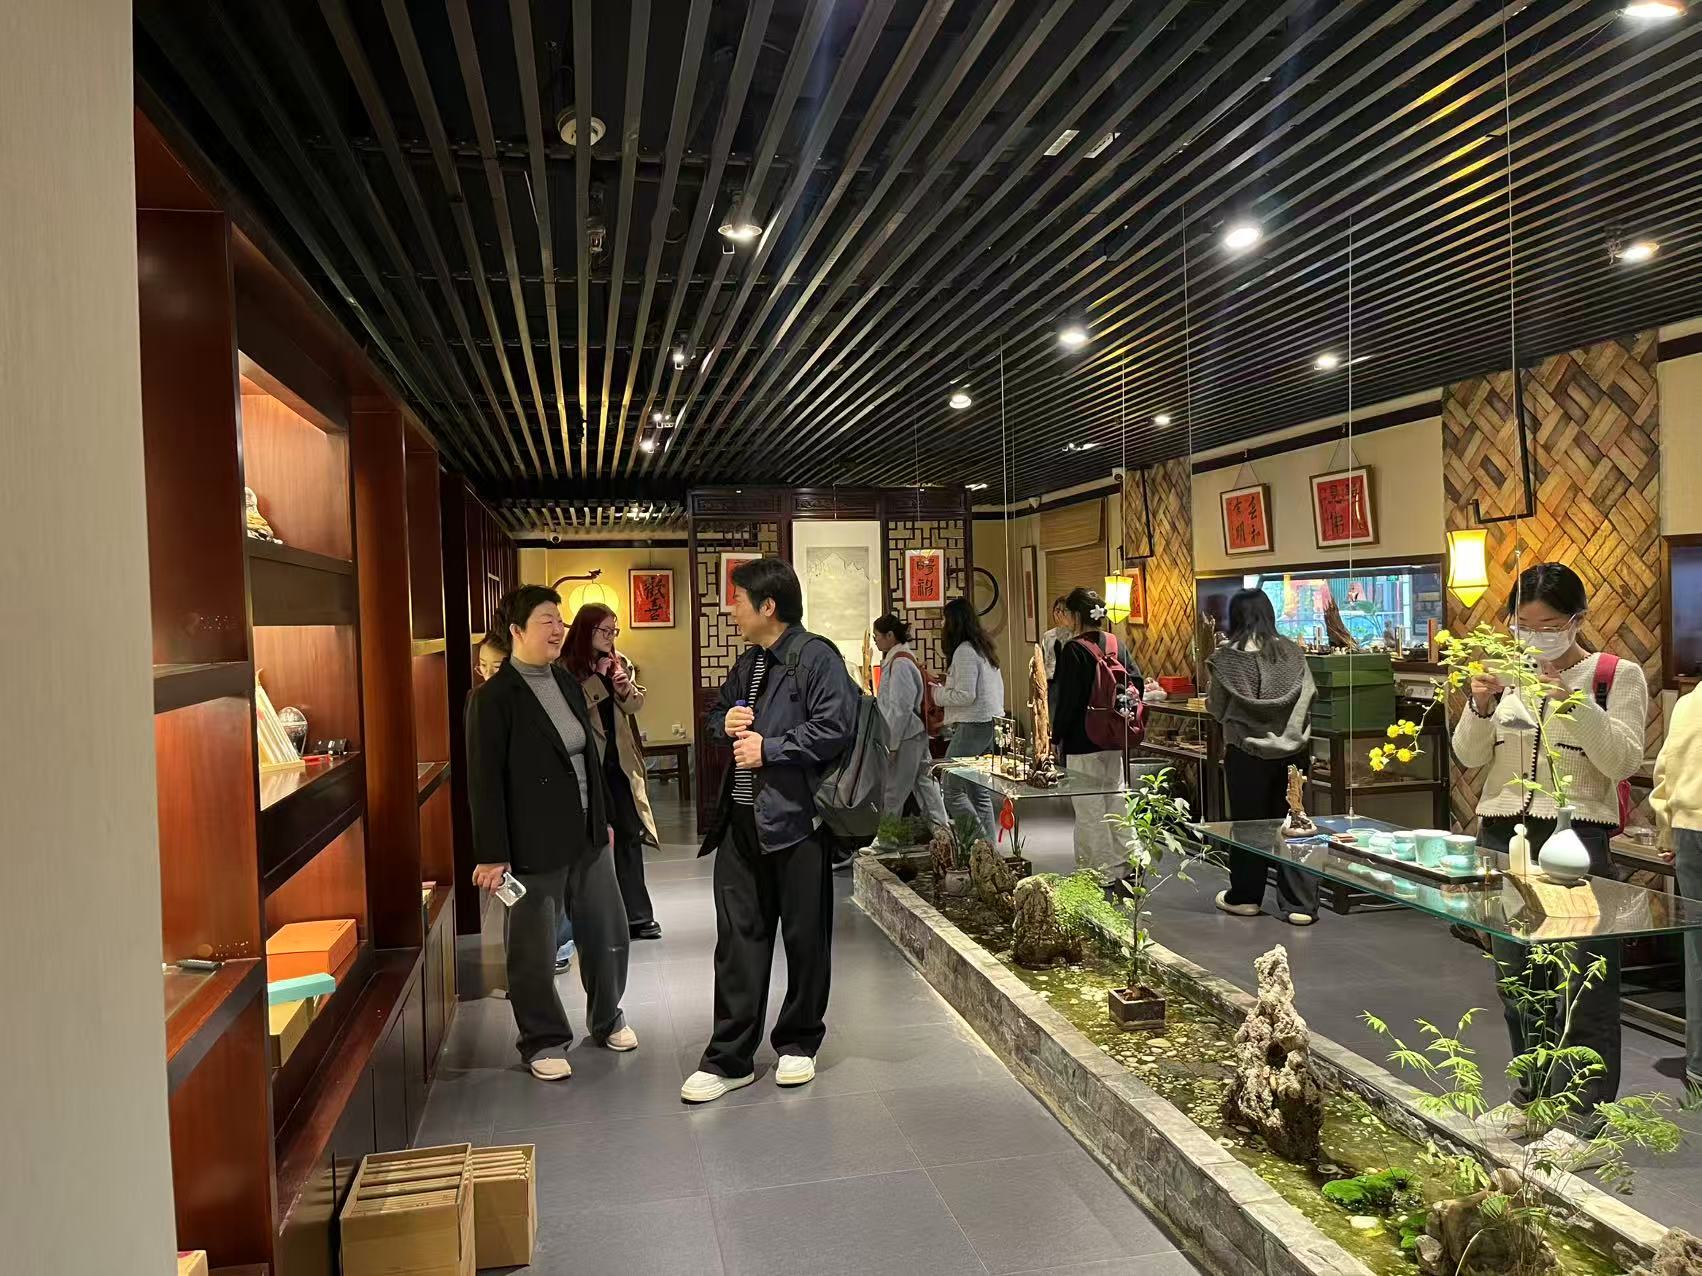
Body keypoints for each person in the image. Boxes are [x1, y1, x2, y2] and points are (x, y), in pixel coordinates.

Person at [1454, 563, 1647, 1153]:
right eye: (1523, 625)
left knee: (1584, 980)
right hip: (1502, 832)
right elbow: (1469, 757)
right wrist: (1480, 705)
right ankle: (1532, 1098)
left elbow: (1623, 762)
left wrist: (1575, 703)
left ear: (1576, 620)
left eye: (1548, 625)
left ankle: (1584, 1116)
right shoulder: (1506, 674)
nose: (1534, 637)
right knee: (1517, 977)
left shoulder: (1616, 675)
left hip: (1575, 839)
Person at [680, 558, 859, 1104]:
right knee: (737, 943)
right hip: (740, 824)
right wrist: (726, 722)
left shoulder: (817, 658)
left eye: (737, 600)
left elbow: (836, 727)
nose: (730, 610)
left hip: (798, 823)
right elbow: (717, 715)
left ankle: (799, 1042)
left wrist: (771, 748)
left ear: (768, 606)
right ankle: (729, 1058)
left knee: (805, 939)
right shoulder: (750, 661)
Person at [467, 585, 634, 1081]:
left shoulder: (564, 681)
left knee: (607, 930)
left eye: (560, 621)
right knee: (534, 947)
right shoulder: (493, 698)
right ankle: (542, 1040)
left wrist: (603, 819)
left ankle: (607, 1017)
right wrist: (492, 854)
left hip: (586, 832)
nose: (558, 629)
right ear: (516, 630)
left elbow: (589, 758)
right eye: (546, 621)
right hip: (533, 840)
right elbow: (484, 782)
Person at [1205, 588, 1321, 925]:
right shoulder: (1293, 654)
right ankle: (1300, 905)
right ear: (1269, 614)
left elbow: (1216, 707)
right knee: (1294, 823)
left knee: (1248, 826)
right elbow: (1308, 698)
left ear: (1234, 617)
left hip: (1246, 754)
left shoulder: (1225, 659)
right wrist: (1290, 735)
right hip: (1294, 754)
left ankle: (1245, 898)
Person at [562, 603, 662, 941]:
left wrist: (622, 687)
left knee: (630, 833)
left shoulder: (620, 661)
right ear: (586, 631)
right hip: (587, 763)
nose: (610, 637)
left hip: (618, 762)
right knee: (593, 840)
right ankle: (594, 917)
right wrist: (597, 679)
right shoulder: (565, 668)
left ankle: (638, 916)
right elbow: (573, 709)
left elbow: (635, 705)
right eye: (604, 630)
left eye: (613, 630)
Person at [1052, 587, 1140, 875]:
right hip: (1113, 736)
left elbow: (1068, 701)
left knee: (1089, 807)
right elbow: (1137, 683)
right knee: (1117, 798)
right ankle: (1131, 860)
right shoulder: (1117, 644)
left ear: (1077, 616)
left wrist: (1056, 737)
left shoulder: (1074, 649)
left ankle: (1100, 870)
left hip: (1082, 740)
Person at [1652, 686, 1702, 1093]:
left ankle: (1699, 1067)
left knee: (1698, 950)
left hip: (1689, 831)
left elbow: (1664, 772)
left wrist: (1667, 833)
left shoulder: (1689, 702)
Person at [934, 597, 1005, 841]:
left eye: (944, 619)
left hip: (974, 725)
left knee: (951, 789)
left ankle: (977, 843)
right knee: (978, 791)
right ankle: (988, 849)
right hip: (989, 724)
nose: (942, 624)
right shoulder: (982, 647)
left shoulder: (964, 651)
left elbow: (965, 695)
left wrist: (936, 694)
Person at [872, 614, 948, 834]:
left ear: (890, 635)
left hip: (906, 735)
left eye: (877, 636)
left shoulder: (900, 664)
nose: (875, 641)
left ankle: (886, 839)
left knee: (894, 790)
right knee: (925, 784)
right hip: (913, 733)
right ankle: (942, 832)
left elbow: (900, 708)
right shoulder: (901, 659)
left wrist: (892, 744)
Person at [1040, 595, 1072, 721]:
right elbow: (1044, 658)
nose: (1059, 614)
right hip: (1052, 681)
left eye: (1063, 611)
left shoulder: (1075, 635)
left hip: (1068, 681)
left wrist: (1064, 629)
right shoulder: (1048, 636)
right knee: (1053, 716)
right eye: (1057, 610)